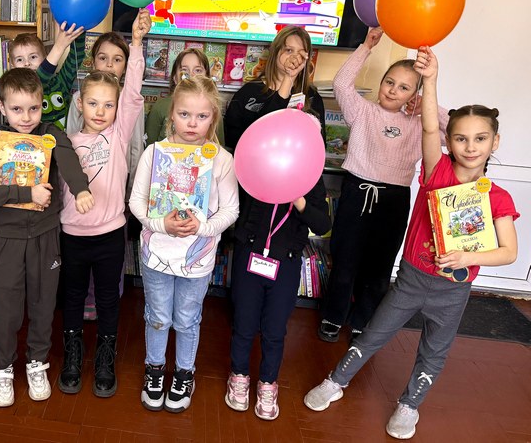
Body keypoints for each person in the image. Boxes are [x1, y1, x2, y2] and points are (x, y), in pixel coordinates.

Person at [304, 48, 519, 440]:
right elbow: (432, 130)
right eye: (461, 139)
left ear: (495, 142)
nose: (470, 147)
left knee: (434, 351)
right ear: (449, 142)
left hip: (454, 289)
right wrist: (430, 80)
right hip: (413, 278)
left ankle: (409, 405)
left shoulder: (498, 197)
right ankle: (336, 381)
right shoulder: (436, 173)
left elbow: (509, 252)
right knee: (373, 334)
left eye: (480, 139)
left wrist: (467, 255)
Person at [0, 68, 94, 408]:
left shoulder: (51, 134)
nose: (26, 117)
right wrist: (26, 193)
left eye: (33, 108)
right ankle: (2, 367)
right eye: (17, 109)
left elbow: (69, 162)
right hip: (8, 238)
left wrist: (81, 190)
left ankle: (37, 362)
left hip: (45, 235)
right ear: (2, 108)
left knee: (42, 303)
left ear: (42, 106)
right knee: (6, 308)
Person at [317, 28, 450, 343]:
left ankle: (362, 320)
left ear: (413, 95)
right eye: (389, 82)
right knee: (345, 259)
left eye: (404, 88)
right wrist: (366, 46)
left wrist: (428, 105)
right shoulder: (362, 111)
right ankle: (333, 316)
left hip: (394, 199)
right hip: (357, 192)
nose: (393, 90)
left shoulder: (421, 124)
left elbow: (454, 131)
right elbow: (341, 84)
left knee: (379, 266)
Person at [129, 76, 239, 413]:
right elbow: (136, 202)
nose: (192, 123)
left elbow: (230, 210)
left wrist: (203, 228)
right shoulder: (154, 153)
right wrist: (160, 224)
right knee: (157, 316)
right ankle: (155, 369)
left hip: (197, 261)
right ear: (171, 115)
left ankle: (184, 373)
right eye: (184, 114)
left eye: (202, 116)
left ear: (213, 118)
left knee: (188, 319)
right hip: (157, 255)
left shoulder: (221, 160)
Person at [57, 9, 150, 398]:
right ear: (80, 104)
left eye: (108, 105)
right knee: (73, 297)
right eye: (93, 104)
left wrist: (137, 44)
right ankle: (73, 353)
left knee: (109, 299)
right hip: (72, 236)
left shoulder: (119, 134)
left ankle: (105, 357)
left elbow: (133, 91)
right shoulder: (65, 143)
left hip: (110, 234)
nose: (100, 112)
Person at [225, 167, 330, 420]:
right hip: (250, 254)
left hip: (286, 263)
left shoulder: (309, 177)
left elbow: (322, 224)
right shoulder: (257, 166)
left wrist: (299, 200)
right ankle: (238, 375)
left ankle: (268, 383)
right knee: (244, 322)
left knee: (274, 329)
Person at [66, 29, 148, 320]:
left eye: (117, 59)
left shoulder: (123, 118)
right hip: (79, 217)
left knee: (109, 268)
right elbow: (69, 154)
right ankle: (86, 306)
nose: (110, 64)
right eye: (103, 58)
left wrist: (136, 44)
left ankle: (107, 302)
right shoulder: (77, 114)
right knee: (78, 278)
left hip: (117, 198)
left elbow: (135, 145)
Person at [224, 25, 325, 151]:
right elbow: (232, 139)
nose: (294, 58)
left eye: (300, 53)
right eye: (289, 50)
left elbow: (318, 146)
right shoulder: (248, 92)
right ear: (275, 52)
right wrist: (288, 79)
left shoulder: (312, 96)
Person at [8, 23, 84, 129]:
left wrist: (79, 28)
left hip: (64, 139)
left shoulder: (61, 81)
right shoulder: (17, 91)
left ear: (45, 57)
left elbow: (75, 58)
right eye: (20, 59)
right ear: (12, 66)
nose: (27, 63)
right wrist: (59, 46)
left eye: (33, 57)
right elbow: (39, 78)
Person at [145, 48, 226, 146]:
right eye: (184, 70)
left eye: (198, 70)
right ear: (175, 78)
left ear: (208, 77)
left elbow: (219, 147)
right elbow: (150, 145)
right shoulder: (160, 106)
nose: (191, 75)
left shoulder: (213, 108)